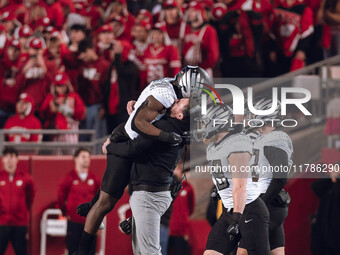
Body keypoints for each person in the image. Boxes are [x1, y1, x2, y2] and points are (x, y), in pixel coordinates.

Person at [74, 66, 210, 255]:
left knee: (113, 200)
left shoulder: (168, 112)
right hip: (144, 172)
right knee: (108, 202)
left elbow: (135, 142)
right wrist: (144, 113)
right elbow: (141, 123)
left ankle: (90, 236)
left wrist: (111, 144)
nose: (177, 101)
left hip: (149, 190)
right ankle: (87, 233)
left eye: (181, 102)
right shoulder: (170, 110)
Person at [103, 97, 190, 255]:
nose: (175, 100)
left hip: (149, 194)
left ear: (180, 115)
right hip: (154, 193)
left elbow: (133, 148)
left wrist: (110, 147)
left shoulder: (165, 126)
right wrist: (138, 109)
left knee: (149, 252)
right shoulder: (178, 127)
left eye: (179, 103)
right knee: (143, 252)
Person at [194, 103, 270, 255]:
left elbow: (240, 187)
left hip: (249, 210)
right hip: (230, 211)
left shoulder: (237, 145)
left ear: (217, 122)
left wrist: (236, 219)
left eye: (204, 122)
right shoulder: (214, 146)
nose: (201, 127)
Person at [237, 97, 293, 255]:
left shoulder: (274, 141)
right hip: (272, 204)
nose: (251, 118)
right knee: (276, 252)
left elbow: (280, 178)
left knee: (243, 251)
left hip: (268, 205)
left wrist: (260, 203)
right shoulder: (263, 139)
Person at [58, 148, 100, 255]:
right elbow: (61, 197)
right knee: (73, 250)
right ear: (76, 159)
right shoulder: (69, 178)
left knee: (90, 251)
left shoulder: (94, 179)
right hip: (74, 222)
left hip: (90, 223)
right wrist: (66, 213)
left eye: (88, 157)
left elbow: (100, 200)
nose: (86, 160)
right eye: (83, 157)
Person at [0, 147, 35, 255]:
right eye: (7, 157)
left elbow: (30, 198)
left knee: (21, 252)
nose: (10, 160)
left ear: (17, 159)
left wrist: (22, 212)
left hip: (19, 224)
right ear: (3, 160)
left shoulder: (26, 179)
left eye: (12, 157)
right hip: (2, 223)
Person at [77, 38, 111, 139]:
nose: (83, 57)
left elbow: (108, 88)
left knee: (97, 138)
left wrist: (104, 107)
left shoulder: (104, 65)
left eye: (85, 53)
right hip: (83, 106)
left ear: (91, 50)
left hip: (97, 106)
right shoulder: (82, 65)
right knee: (83, 138)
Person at [40, 72, 86, 143]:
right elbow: (43, 113)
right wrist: (50, 109)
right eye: (59, 86)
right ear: (54, 86)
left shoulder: (73, 96)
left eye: (63, 85)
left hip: (70, 127)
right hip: (55, 129)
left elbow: (81, 113)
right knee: (55, 152)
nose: (61, 88)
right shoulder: (50, 97)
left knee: (71, 151)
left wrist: (69, 111)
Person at [168, 162, 195, 255]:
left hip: (180, 230)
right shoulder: (165, 186)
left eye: (178, 169)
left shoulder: (187, 187)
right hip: (165, 228)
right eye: (173, 169)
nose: (175, 171)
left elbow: (191, 208)